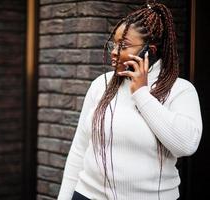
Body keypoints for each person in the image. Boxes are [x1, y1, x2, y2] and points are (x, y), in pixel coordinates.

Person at [57, 3, 202, 200]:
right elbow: (80, 149)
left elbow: (186, 145)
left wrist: (141, 93)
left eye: (123, 45)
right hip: (86, 195)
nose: (114, 52)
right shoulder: (102, 84)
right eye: (113, 44)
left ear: (149, 50)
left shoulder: (180, 90)